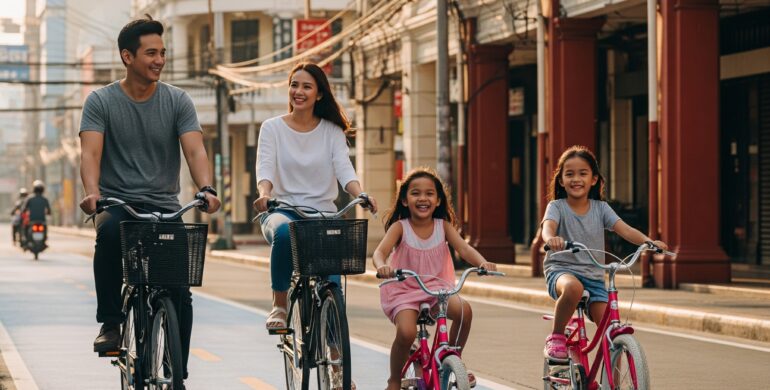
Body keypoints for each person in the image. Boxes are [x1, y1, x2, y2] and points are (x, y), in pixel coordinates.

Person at [78, 15, 221, 382]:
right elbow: (90, 154)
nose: (159, 60)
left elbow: (195, 151)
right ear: (128, 57)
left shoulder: (177, 101)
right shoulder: (101, 101)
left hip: (165, 207)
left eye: (163, 53)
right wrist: (92, 193)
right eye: (151, 53)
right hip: (117, 204)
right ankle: (110, 324)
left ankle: (178, 371)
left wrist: (206, 188)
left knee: (180, 291)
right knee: (108, 236)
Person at [253, 62, 378, 331]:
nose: (298, 91)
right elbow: (265, 168)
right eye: (294, 85)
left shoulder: (332, 131)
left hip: (322, 216)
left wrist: (361, 194)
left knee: (332, 284)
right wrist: (264, 194)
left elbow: (345, 170)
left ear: (319, 94)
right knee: (286, 233)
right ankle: (280, 304)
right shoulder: (272, 128)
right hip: (281, 210)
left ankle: (335, 360)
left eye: (306, 86)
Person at [373, 167, 497, 390]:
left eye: (429, 193)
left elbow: (465, 249)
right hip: (405, 291)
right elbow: (380, 252)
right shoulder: (400, 227)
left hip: (437, 291)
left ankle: (453, 359)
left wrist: (482, 263)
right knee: (406, 332)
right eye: (415, 193)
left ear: (438, 200)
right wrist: (382, 266)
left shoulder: (444, 227)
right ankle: (393, 379)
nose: (423, 198)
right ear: (404, 200)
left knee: (465, 311)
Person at [540, 145, 667, 361]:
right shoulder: (557, 206)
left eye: (583, 173)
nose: (576, 179)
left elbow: (625, 229)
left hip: (594, 278)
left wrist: (648, 242)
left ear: (594, 179)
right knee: (573, 288)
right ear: (561, 180)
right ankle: (557, 336)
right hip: (562, 271)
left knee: (610, 334)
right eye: (569, 174)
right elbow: (548, 227)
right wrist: (551, 238)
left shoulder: (601, 208)